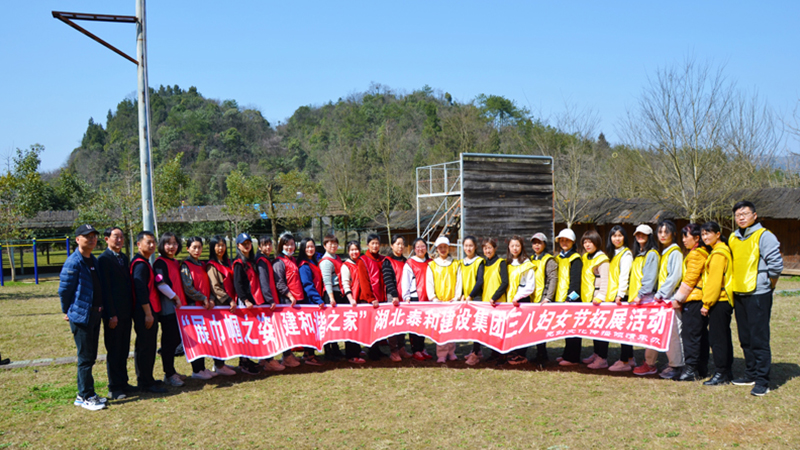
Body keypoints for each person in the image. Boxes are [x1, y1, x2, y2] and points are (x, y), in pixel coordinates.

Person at [728, 201, 783, 396]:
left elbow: (776, 266)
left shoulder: (764, 236)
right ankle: (750, 373)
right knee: (745, 337)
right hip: (739, 292)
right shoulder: (733, 237)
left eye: (745, 213)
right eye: (738, 215)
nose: (741, 217)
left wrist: (768, 285)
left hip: (758, 293)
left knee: (759, 338)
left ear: (754, 215)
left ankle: (762, 380)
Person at [58, 224, 107, 410]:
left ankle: (84, 394)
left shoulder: (93, 260)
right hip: (82, 316)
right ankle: (86, 395)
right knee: (85, 358)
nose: (92, 239)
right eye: (87, 236)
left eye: (94, 236)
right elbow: (64, 290)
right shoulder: (73, 262)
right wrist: (67, 310)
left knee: (91, 356)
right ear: (78, 239)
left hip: (95, 314)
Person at [97, 226, 136, 400]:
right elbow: (105, 290)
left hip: (126, 312)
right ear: (107, 239)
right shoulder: (103, 260)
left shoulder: (123, 258)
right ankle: (114, 387)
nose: (119, 240)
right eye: (115, 237)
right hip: (113, 314)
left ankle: (123, 382)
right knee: (114, 350)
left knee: (124, 349)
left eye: (121, 237)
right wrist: (111, 315)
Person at [644, 220, 685, 379]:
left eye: (666, 232)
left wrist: (661, 293)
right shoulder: (665, 252)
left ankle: (676, 365)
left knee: (673, 333)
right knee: (664, 331)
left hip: (669, 298)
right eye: (660, 232)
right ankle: (670, 362)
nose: (662, 235)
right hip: (663, 299)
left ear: (673, 234)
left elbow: (675, 276)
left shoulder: (675, 252)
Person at [130, 231, 167, 394]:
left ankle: (146, 378)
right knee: (146, 347)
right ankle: (145, 383)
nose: (152, 245)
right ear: (139, 244)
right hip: (144, 311)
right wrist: (148, 313)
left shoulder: (144, 262)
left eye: (153, 242)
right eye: (148, 242)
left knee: (147, 346)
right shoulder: (140, 265)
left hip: (148, 310)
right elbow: (141, 290)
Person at [672, 224, 710, 381]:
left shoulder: (696, 254)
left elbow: (689, 279)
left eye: (686, 236)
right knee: (700, 335)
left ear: (696, 238)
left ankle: (690, 369)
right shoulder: (701, 252)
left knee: (690, 335)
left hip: (694, 299)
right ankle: (701, 368)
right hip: (699, 299)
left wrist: (678, 298)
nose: (683, 240)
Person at [699, 222, 735, 387]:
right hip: (723, 300)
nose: (705, 237)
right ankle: (726, 371)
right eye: (703, 234)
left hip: (719, 300)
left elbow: (714, 282)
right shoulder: (720, 251)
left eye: (708, 233)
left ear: (718, 234)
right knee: (724, 336)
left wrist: (706, 304)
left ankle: (721, 372)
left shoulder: (719, 254)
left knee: (717, 338)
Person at [180, 237, 219, 381]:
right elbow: (188, 288)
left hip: (205, 307)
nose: (197, 250)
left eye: (199, 247)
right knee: (196, 338)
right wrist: (202, 298)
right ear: (188, 249)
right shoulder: (185, 265)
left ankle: (202, 368)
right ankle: (196, 369)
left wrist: (211, 299)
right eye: (194, 247)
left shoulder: (202, 264)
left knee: (203, 338)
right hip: (194, 308)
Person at [153, 232, 188, 387]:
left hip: (178, 309)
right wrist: (175, 298)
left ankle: (172, 371)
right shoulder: (160, 263)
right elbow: (161, 284)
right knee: (168, 342)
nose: (172, 246)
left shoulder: (174, 262)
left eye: (174, 243)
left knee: (175, 341)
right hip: (169, 310)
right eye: (168, 243)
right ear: (162, 245)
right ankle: (169, 374)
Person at [629, 224, 661, 376]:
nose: (640, 236)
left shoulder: (652, 254)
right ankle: (647, 362)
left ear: (649, 236)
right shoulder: (639, 254)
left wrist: (640, 294)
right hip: (638, 299)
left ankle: (650, 364)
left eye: (643, 234)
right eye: (637, 234)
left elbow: (649, 279)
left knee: (650, 332)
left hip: (646, 298)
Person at [204, 235, 238, 375]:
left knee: (227, 335)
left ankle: (221, 362)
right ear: (213, 247)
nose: (220, 248)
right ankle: (218, 364)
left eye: (223, 245)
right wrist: (229, 299)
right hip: (220, 304)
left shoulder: (227, 262)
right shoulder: (212, 265)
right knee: (219, 335)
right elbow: (215, 287)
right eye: (217, 245)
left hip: (230, 303)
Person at [425, 236, 462, 363]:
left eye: (445, 247)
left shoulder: (456, 264)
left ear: (449, 247)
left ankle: (451, 351)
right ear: (437, 248)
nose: (443, 249)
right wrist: (433, 298)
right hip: (439, 302)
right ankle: (441, 353)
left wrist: (456, 297)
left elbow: (459, 282)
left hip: (452, 302)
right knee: (440, 328)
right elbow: (429, 283)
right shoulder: (432, 265)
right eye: (440, 247)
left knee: (451, 327)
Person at [231, 233, 264, 374]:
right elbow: (238, 284)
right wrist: (245, 300)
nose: (246, 246)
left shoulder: (251, 261)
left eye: (248, 243)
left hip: (253, 301)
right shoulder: (239, 263)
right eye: (243, 243)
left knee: (251, 331)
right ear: (238, 246)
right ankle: (243, 362)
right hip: (245, 302)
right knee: (244, 332)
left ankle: (247, 358)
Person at [578, 230, 611, 370]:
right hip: (588, 299)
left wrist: (600, 297)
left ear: (597, 242)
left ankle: (602, 358)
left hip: (598, 300)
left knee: (601, 329)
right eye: (585, 242)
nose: (587, 245)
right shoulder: (586, 257)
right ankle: (596, 353)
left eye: (590, 242)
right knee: (593, 328)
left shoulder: (602, 259)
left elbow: (605, 280)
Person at [605, 226, 635, 372]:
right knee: (621, 327)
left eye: (620, 235)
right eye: (614, 236)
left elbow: (624, 275)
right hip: (613, 295)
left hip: (621, 296)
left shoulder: (626, 254)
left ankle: (624, 361)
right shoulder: (612, 254)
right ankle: (629, 357)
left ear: (625, 237)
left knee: (623, 329)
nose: (617, 239)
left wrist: (620, 294)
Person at [271, 233, 303, 368]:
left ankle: (289, 354)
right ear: (281, 246)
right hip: (286, 300)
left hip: (296, 300)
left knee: (292, 328)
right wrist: (289, 296)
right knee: (286, 329)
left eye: (292, 244)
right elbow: (279, 283)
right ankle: (286, 356)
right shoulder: (279, 262)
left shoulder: (293, 259)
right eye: (286, 244)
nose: (290, 247)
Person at [255, 236, 285, 372]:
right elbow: (263, 281)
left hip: (267, 300)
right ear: (259, 247)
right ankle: (269, 360)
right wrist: (270, 299)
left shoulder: (265, 259)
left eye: (269, 244)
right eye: (265, 245)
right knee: (268, 331)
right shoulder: (261, 261)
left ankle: (264, 359)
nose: (268, 247)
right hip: (266, 302)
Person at [400, 238, 433, 361]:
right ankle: (416, 350)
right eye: (418, 247)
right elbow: (405, 281)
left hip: (427, 298)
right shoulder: (410, 263)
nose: (420, 249)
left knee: (424, 325)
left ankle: (422, 348)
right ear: (414, 249)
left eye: (423, 246)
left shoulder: (430, 262)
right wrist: (406, 296)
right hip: (414, 297)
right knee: (415, 325)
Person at [553, 229, 583, 366]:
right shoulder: (558, 258)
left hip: (571, 299)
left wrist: (570, 298)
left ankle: (573, 358)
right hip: (560, 297)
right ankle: (567, 354)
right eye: (562, 240)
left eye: (567, 240)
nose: (564, 242)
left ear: (573, 242)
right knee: (566, 328)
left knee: (573, 329)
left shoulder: (575, 258)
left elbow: (576, 282)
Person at [505, 236, 536, 366]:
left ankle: (521, 355)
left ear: (522, 247)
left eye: (517, 245)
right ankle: (513, 352)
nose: (515, 248)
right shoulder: (507, 263)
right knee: (512, 328)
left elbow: (530, 285)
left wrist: (518, 296)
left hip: (522, 300)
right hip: (509, 301)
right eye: (512, 246)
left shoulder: (527, 264)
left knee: (522, 328)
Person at [356, 233, 388, 360]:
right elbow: (363, 281)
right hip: (369, 299)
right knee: (370, 326)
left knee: (378, 325)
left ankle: (377, 349)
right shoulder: (363, 260)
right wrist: (370, 298)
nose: (375, 246)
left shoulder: (383, 259)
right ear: (368, 245)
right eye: (372, 243)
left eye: (377, 243)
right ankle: (372, 350)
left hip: (381, 297)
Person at [382, 235, 412, 361]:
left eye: (402, 244)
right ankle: (394, 351)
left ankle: (402, 348)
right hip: (393, 296)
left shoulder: (406, 261)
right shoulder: (387, 261)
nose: (400, 246)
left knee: (403, 323)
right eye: (397, 243)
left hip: (404, 296)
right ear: (392, 245)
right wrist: (394, 295)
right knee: (393, 324)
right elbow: (388, 280)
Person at [480, 237, 509, 364]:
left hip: (498, 302)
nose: (487, 251)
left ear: (495, 248)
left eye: (490, 248)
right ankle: (493, 353)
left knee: (500, 329)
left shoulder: (501, 262)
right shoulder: (483, 264)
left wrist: (495, 297)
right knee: (491, 330)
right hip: (486, 301)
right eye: (485, 248)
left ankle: (502, 355)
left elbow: (505, 282)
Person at [529, 232, 557, 365]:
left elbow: (553, 279)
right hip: (532, 298)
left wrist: (548, 297)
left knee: (541, 328)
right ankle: (539, 353)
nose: (536, 245)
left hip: (543, 298)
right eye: (534, 243)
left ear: (544, 244)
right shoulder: (531, 259)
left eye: (539, 243)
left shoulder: (549, 259)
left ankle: (542, 354)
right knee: (534, 328)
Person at [297, 237, 325, 366]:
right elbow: (307, 285)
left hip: (314, 300)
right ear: (303, 248)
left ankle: (309, 354)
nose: (310, 249)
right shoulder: (304, 265)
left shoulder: (312, 262)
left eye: (312, 246)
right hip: (310, 302)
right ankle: (309, 355)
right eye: (307, 247)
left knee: (313, 329)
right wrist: (318, 299)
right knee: (310, 329)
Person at [339, 241, 367, 364]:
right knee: (351, 327)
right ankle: (351, 355)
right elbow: (345, 284)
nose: (354, 252)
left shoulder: (361, 262)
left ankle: (357, 349)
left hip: (360, 299)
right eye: (351, 250)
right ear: (348, 251)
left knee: (358, 327)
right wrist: (351, 299)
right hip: (351, 300)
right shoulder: (346, 266)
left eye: (356, 249)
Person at [319, 234, 346, 362]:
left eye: (335, 243)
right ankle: (328, 351)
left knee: (335, 324)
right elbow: (327, 281)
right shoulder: (326, 261)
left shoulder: (337, 258)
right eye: (330, 244)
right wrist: (331, 298)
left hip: (338, 292)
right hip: (331, 294)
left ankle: (335, 349)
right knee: (329, 323)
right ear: (325, 246)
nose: (333, 246)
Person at [461, 236, 485, 366]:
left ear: (475, 247)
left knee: (477, 327)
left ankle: (475, 354)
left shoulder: (479, 261)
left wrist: (471, 295)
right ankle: (477, 351)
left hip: (476, 297)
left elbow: (480, 281)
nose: (468, 248)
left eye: (471, 245)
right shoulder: (461, 262)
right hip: (466, 298)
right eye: (466, 245)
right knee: (470, 326)